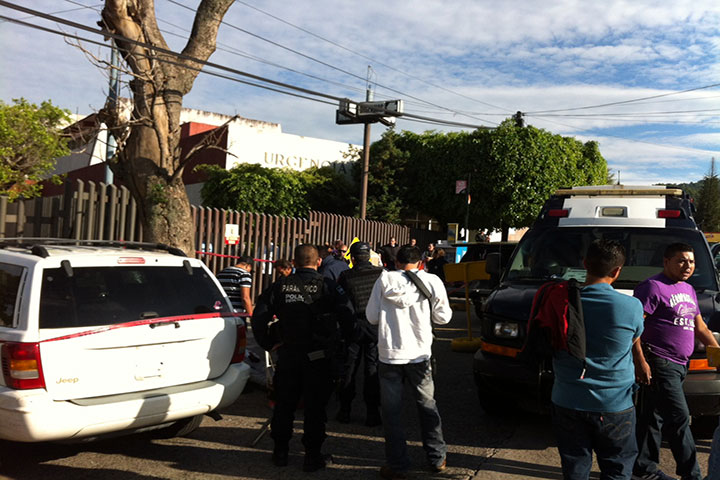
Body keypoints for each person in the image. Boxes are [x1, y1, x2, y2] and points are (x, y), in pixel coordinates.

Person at [251, 244, 350, 472]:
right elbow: (347, 317)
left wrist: (268, 342)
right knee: (315, 408)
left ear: (293, 263)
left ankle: (280, 452)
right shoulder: (329, 286)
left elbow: (259, 317)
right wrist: (343, 345)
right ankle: (312, 456)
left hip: (288, 354)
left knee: (284, 404)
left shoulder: (279, 286)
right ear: (318, 262)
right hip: (318, 357)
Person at [551, 239, 644, 480]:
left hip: (568, 399)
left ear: (584, 264)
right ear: (617, 271)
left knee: (574, 468)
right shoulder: (632, 306)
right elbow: (634, 338)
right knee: (617, 469)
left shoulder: (561, 303)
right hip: (614, 404)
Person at [632, 243, 720, 480]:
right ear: (666, 261)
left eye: (691, 261)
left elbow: (701, 328)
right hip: (660, 361)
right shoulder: (652, 287)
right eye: (681, 260)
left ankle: (642, 470)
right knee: (680, 418)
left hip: (681, 364)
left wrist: (718, 356)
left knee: (653, 416)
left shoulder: (688, 289)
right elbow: (634, 326)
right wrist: (640, 360)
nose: (687, 266)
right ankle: (692, 475)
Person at [366, 244, 452, 479]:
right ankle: (437, 458)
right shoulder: (432, 281)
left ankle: (397, 465)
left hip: (389, 354)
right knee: (427, 405)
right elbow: (443, 318)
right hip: (419, 354)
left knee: (392, 413)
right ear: (421, 263)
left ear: (396, 263)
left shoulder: (383, 280)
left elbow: (371, 317)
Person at [336, 242, 384, 426]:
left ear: (353, 259)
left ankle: (345, 411)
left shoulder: (345, 276)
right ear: (369, 257)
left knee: (349, 369)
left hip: (353, 328)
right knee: (372, 369)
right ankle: (372, 413)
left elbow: (340, 303)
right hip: (375, 328)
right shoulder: (381, 274)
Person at [217, 256, 266, 386]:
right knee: (239, 347)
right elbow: (245, 297)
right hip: (238, 315)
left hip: (223, 314)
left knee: (228, 346)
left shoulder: (222, 273)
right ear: (247, 266)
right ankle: (242, 379)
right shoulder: (244, 274)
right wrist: (251, 315)